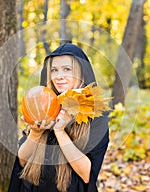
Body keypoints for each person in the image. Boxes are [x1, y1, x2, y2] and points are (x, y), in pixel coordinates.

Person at [8, 43, 109, 192]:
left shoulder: (95, 116)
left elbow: (88, 174)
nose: (59, 76)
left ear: (82, 73)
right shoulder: (42, 104)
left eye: (67, 69)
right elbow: (22, 162)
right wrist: (35, 134)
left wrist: (60, 131)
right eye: (54, 70)